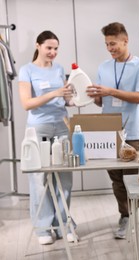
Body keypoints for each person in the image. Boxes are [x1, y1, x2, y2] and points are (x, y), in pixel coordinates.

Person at [87, 22, 139, 239]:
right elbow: (101, 103)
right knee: (116, 180)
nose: (110, 48)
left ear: (126, 41)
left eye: (113, 43)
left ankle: (135, 216)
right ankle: (125, 216)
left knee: (131, 179)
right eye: (107, 44)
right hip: (108, 132)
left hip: (132, 132)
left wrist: (110, 91)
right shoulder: (104, 66)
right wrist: (96, 96)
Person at [18, 30, 77, 245]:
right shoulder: (26, 70)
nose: (53, 52)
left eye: (55, 48)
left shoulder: (59, 69)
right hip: (38, 129)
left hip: (61, 126)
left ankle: (63, 225)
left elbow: (66, 102)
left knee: (64, 179)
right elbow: (26, 104)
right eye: (49, 48)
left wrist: (74, 98)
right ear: (38, 46)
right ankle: (43, 228)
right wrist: (54, 93)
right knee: (39, 181)